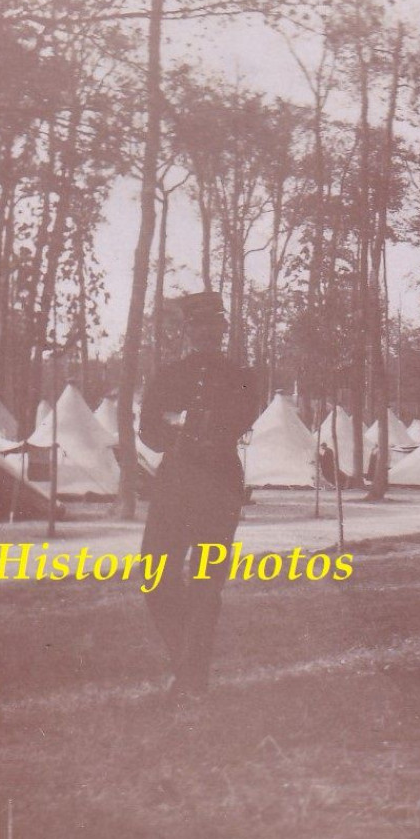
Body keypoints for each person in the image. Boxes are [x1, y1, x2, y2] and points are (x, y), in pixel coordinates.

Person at [138, 291, 259, 698]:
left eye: (215, 328)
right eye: (200, 327)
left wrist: (204, 430)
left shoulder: (242, 377)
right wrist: (177, 431)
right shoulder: (167, 377)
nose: (208, 335)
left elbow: (239, 420)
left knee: (206, 582)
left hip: (219, 483)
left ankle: (192, 679)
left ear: (222, 333)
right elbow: (149, 433)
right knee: (155, 575)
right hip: (175, 482)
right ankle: (185, 664)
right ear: (187, 332)